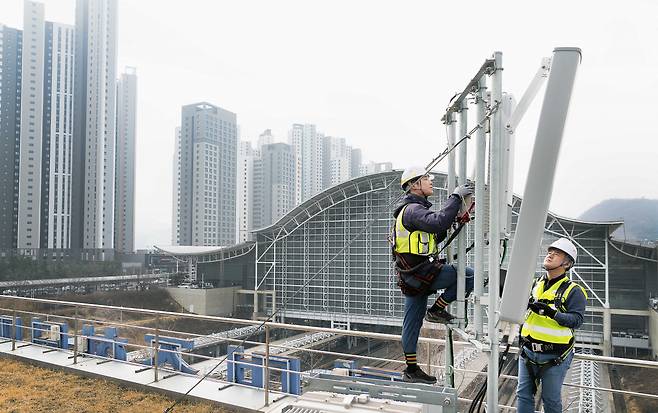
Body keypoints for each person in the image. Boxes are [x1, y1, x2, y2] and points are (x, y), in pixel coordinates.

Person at [392, 166, 475, 384]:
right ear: (415, 185)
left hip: (411, 277)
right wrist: (455, 197)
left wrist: (454, 221)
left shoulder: (410, 212)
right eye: (427, 178)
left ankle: (411, 369)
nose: (431, 181)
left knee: (411, 323)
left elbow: (432, 235)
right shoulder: (412, 210)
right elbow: (438, 221)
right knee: (468, 276)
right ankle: (437, 309)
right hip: (421, 273)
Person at [516, 238, 587, 413]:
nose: (550, 254)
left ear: (567, 263)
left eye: (557, 253)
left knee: (551, 401)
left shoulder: (574, 290)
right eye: (550, 252)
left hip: (555, 356)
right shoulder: (535, 283)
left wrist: (552, 313)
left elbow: (577, 320)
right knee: (523, 395)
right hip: (528, 352)